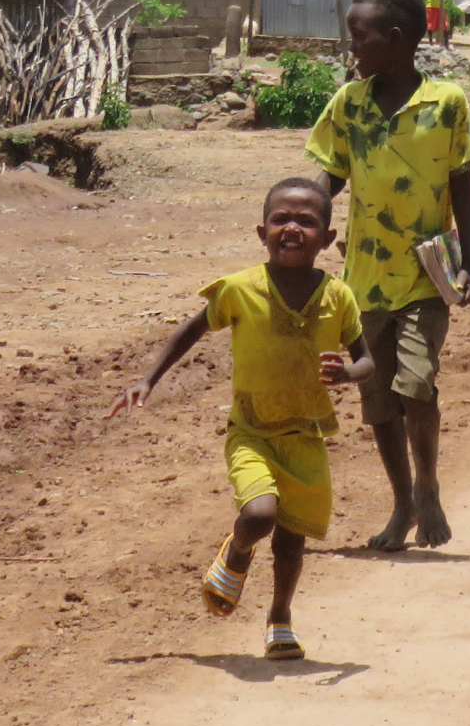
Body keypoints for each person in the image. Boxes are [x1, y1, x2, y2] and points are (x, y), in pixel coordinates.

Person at [106, 178, 372, 661]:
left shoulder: (340, 297)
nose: (292, 228)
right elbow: (192, 329)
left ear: (329, 239)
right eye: (281, 220)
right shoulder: (240, 289)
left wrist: (350, 373)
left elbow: (368, 359)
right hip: (251, 431)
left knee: (293, 542)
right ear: (261, 231)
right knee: (259, 515)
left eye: (307, 221)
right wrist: (148, 379)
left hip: (307, 434)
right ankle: (238, 551)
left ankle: (280, 620)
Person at [304, 0, 470, 552]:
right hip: (363, 279)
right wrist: (302, 224)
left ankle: (427, 484)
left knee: (415, 382)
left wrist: (469, 262)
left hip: (428, 273)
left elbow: (462, 181)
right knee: (378, 399)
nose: (353, 46)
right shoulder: (348, 104)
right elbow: (328, 176)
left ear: (397, 40)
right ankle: (403, 501)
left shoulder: (447, 102)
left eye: (360, 36)